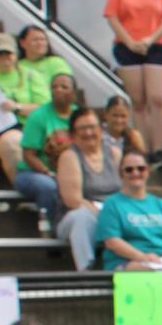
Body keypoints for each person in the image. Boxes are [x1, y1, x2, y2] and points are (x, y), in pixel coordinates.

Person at [102, 0, 162, 165]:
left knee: (157, 98)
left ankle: (159, 146)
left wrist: (150, 39)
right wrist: (130, 42)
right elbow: (112, 17)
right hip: (128, 47)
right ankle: (143, 146)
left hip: (154, 45)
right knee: (139, 101)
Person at [95, 150, 162, 270]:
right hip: (125, 262)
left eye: (141, 168)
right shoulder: (112, 204)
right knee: (151, 273)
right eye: (129, 170)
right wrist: (143, 257)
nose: (135, 173)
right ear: (121, 174)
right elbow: (112, 241)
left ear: (148, 171)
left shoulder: (161, 204)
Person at [53, 108, 121, 270]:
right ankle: (86, 268)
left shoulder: (115, 153)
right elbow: (73, 200)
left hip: (111, 212)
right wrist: (103, 215)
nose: (89, 132)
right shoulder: (69, 156)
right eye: (82, 129)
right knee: (82, 217)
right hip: (76, 216)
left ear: (101, 129)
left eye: (92, 127)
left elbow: (125, 191)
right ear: (73, 134)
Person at [9, 74, 77, 222]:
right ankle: (52, 227)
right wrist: (50, 174)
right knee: (48, 186)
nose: (58, 90)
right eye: (54, 87)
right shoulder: (38, 116)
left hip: (70, 171)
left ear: (74, 93)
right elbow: (28, 155)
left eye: (64, 87)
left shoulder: (79, 117)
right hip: (33, 172)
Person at [0, 32, 49, 183]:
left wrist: (17, 107)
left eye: (8, 53)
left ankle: (24, 191)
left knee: (11, 143)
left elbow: (45, 109)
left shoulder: (31, 76)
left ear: (16, 54)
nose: (4, 57)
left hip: (25, 128)